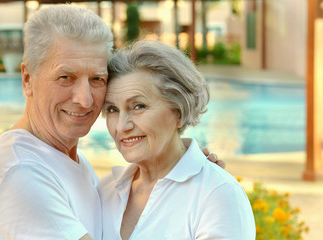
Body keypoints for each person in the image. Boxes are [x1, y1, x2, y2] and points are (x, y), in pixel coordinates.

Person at [0, 4, 223, 240]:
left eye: (97, 79)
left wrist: (188, 181)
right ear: (27, 79)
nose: (84, 99)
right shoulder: (21, 172)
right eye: (65, 77)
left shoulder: (69, 161)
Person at [98, 40, 256, 240]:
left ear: (179, 112)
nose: (121, 126)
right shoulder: (106, 191)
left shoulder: (217, 194)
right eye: (112, 109)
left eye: (138, 106)